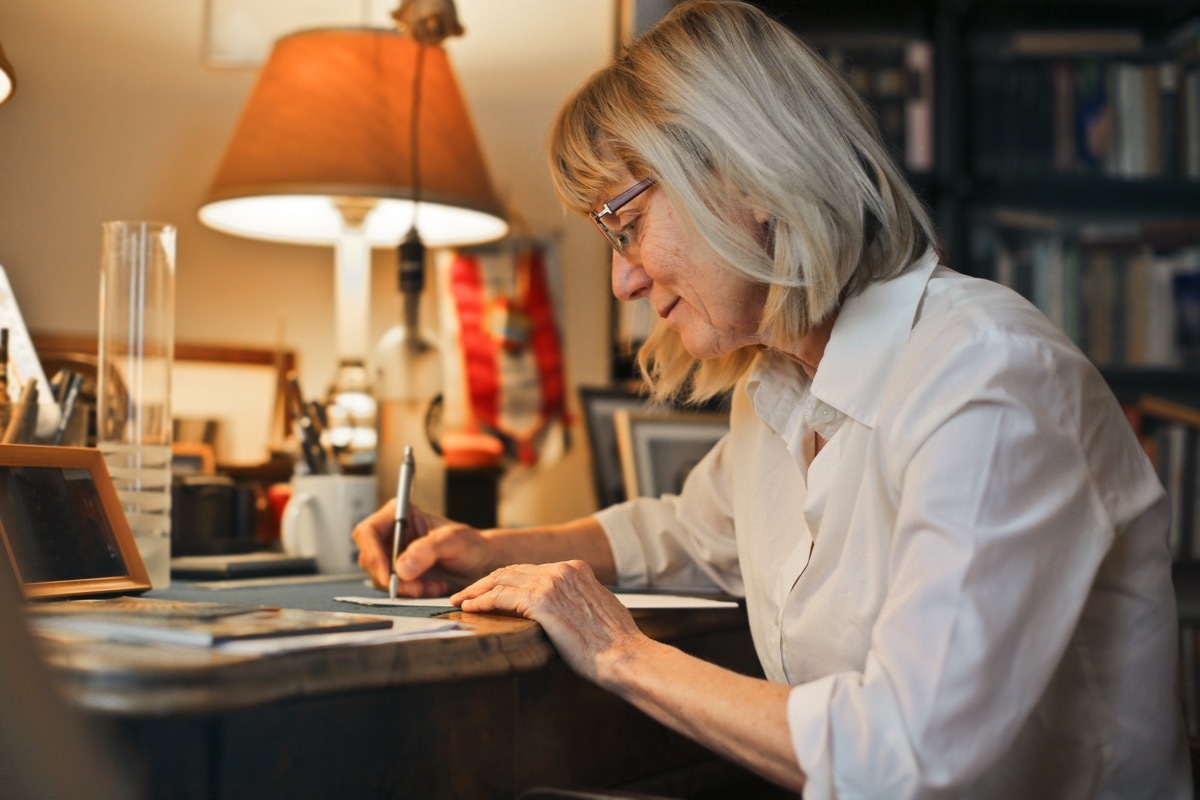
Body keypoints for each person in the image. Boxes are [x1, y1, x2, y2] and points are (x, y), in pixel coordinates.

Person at [354, 1, 1191, 796]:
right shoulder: (780, 387)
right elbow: (690, 530)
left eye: (625, 223)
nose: (622, 279)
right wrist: (491, 549)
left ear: (749, 176)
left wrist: (616, 651)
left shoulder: (990, 382)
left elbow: (905, 755)